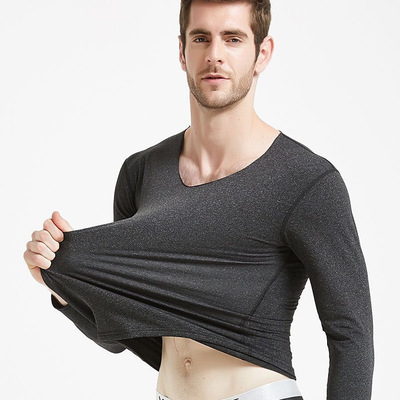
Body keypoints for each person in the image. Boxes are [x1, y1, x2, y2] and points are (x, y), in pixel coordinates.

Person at [23, 1, 374, 399]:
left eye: (233, 39)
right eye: (201, 38)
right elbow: (124, 333)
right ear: (182, 51)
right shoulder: (140, 172)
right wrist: (61, 283)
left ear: (262, 53)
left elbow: (351, 336)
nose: (214, 55)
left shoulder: (306, 182)